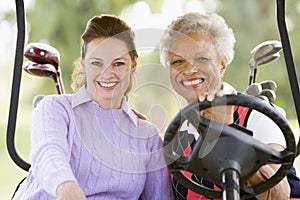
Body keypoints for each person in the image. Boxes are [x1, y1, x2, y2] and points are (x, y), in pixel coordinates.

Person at [20, 14, 172, 199]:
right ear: (84, 64)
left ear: (133, 65)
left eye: (118, 64)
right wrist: (68, 189)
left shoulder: (147, 135)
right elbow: (49, 155)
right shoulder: (55, 108)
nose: (107, 74)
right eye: (96, 63)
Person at [160, 12, 297, 200]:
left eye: (201, 59)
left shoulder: (257, 113)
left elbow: (278, 195)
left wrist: (225, 131)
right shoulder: (176, 135)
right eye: (178, 62)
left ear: (222, 65)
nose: (189, 69)